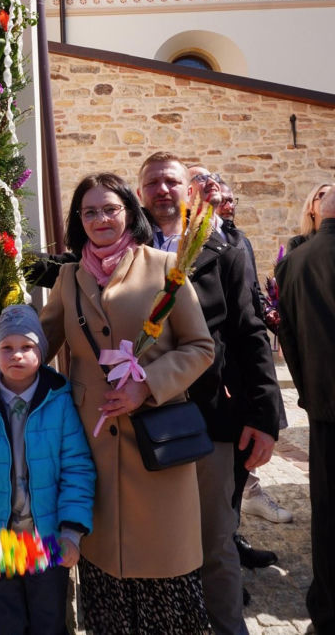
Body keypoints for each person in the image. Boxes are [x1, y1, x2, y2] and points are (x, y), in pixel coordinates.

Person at [40, 173, 215, 635]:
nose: (100, 219)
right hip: (92, 451)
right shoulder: (69, 278)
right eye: (89, 212)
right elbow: (38, 345)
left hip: (157, 446)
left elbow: (200, 347)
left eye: (110, 209)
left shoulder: (165, 267)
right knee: (106, 585)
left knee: (165, 578)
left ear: (128, 212)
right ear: (79, 220)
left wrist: (148, 384)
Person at [137, 153, 281, 635]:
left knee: (216, 540)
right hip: (143, 416)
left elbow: (249, 333)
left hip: (211, 417)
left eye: (171, 181)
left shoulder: (224, 249)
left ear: (189, 191)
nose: (162, 190)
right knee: (158, 539)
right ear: (139, 193)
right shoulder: (127, 248)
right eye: (152, 182)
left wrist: (263, 417)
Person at [0, 304, 95, 635]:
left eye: (27, 346)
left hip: (48, 538)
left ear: (41, 351)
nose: (17, 355)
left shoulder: (60, 401)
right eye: (7, 347)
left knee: (48, 622)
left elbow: (77, 469)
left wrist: (71, 532)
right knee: (5, 623)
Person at [276, 187, 335, 635]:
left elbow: (289, 340)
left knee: (329, 516)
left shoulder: (294, 262)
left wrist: (310, 394)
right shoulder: (295, 258)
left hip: (325, 407)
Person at [217, 182, 292, 526]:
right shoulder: (190, 244)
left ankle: (247, 503)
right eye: (220, 199)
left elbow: (249, 291)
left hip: (247, 352)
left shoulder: (240, 240)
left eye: (231, 198)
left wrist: (268, 312)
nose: (228, 204)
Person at [286, 182, 333, 253]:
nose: (329, 200)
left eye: (333, 197)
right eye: (323, 195)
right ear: (311, 207)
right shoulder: (297, 243)